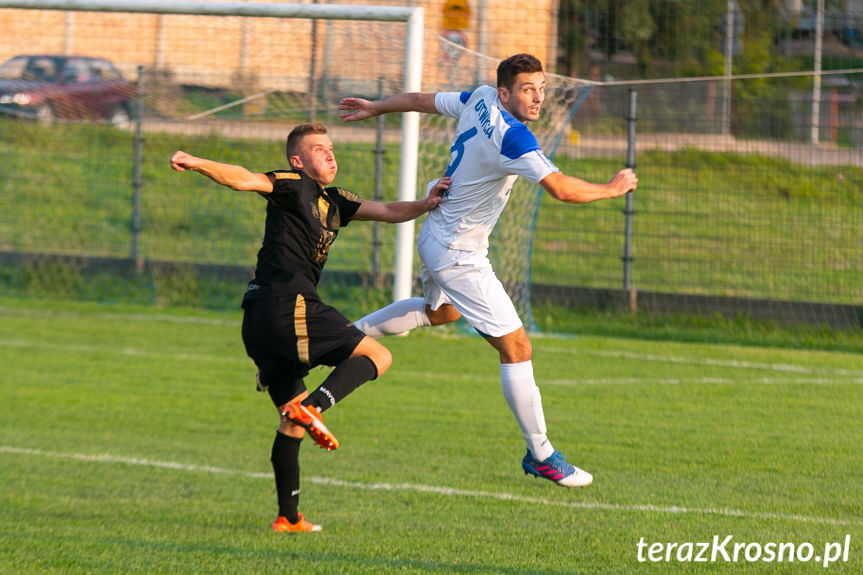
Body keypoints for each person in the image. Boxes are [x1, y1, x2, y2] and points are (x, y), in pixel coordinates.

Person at [338, 53, 637, 488]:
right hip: (458, 253)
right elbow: (561, 189)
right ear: (505, 93)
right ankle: (542, 454)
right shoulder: (513, 138)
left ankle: (345, 336)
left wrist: (376, 107)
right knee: (517, 348)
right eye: (527, 90)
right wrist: (611, 190)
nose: (537, 98)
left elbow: (424, 100)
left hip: (435, 232)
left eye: (540, 88)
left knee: (441, 313)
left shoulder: (477, 97)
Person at [170, 123, 448, 532]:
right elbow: (245, 179)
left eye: (332, 148)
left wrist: (427, 204)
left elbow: (389, 212)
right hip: (288, 305)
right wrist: (196, 162)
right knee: (378, 355)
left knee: (291, 422)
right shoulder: (292, 183)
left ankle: (288, 516)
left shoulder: (336, 200)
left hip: (261, 319)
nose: (331, 155)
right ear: (298, 160)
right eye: (320, 149)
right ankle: (314, 407)